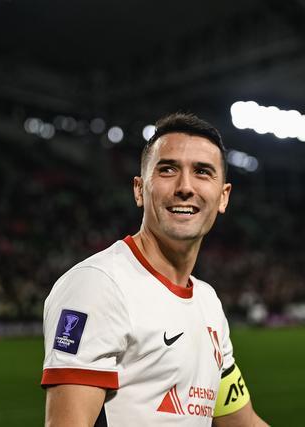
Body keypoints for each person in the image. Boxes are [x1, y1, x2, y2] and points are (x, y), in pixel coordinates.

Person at [41, 113, 270, 426]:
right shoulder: (98, 286)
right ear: (139, 189)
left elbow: (243, 422)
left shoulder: (208, 302)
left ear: (223, 196)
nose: (185, 187)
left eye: (202, 172)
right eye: (167, 169)